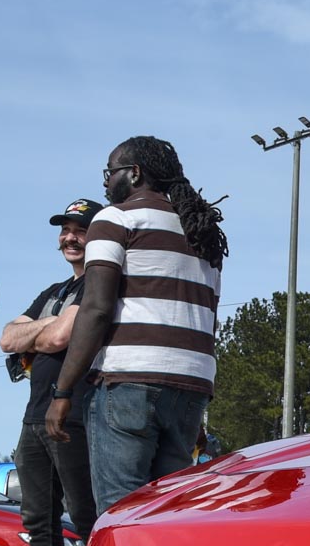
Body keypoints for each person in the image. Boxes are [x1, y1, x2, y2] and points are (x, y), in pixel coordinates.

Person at [45, 137, 227, 514]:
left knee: (120, 512)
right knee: (166, 514)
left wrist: (62, 389)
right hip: (191, 386)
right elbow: (209, 318)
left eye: (110, 173)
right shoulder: (202, 232)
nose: (106, 183)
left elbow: (95, 309)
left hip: (128, 381)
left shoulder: (116, 219)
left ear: (134, 173)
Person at [0, 199, 104, 546]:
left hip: (73, 414)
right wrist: (44, 329)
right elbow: (5, 337)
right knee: (39, 520)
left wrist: (38, 334)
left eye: (80, 229)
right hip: (33, 417)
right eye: (65, 230)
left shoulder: (100, 284)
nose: (70, 237)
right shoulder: (55, 291)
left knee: (87, 517)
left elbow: (59, 337)